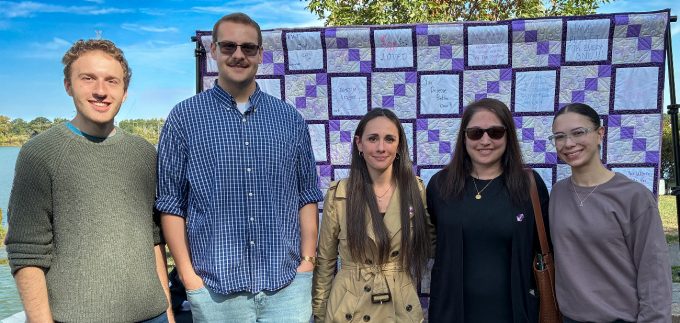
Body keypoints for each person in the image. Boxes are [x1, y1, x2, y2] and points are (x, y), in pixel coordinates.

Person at [156, 12, 324, 322]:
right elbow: (171, 203)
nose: (238, 55)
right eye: (229, 46)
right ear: (213, 51)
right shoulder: (184, 119)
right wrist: (187, 275)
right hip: (215, 292)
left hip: (286, 287)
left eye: (248, 48)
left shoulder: (290, 120)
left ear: (261, 54)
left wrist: (307, 261)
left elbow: (307, 194)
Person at [5, 39, 173, 323]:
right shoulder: (40, 153)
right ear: (68, 86)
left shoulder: (144, 153)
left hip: (152, 315)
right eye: (88, 79)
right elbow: (26, 250)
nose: (100, 91)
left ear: (124, 92)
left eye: (112, 81)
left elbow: (154, 240)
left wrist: (167, 312)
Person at [426, 98, 550, 323]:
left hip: (515, 313)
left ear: (508, 135)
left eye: (495, 132)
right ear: (464, 137)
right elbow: (434, 239)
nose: (485, 140)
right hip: (452, 313)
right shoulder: (439, 185)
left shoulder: (529, 185)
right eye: (475, 133)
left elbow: (545, 246)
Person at [549, 103, 671, 323]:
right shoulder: (557, 194)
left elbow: (654, 272)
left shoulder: (633, 196)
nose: (568, 143)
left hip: (622, 319)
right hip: (569, 318)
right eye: (559, 136)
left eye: (578, 133)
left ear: (600, 133)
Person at [312, 108, 434, 323]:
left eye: (389, 139)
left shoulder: (416, 190)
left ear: (399, 146)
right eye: (372, 138)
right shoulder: (339, 193)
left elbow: (434, 244)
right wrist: (320, 314)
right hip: (350, 306)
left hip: (400, 305)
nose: (380, 147)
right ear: (359, 144)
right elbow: (325, 261)